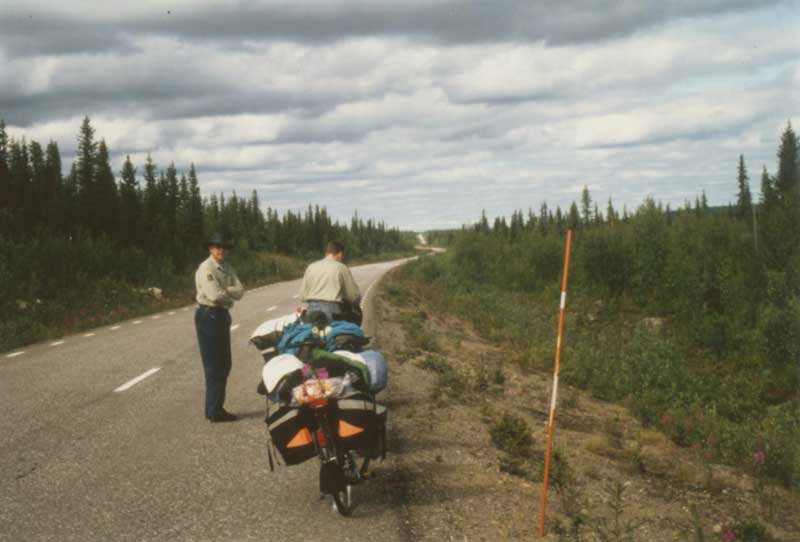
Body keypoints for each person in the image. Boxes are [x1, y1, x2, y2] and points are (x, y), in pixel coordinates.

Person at [194, 232, 244, 422]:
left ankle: (216, 408)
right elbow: (214, 296)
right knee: (215, 366)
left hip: (221, 315)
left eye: (224, 247)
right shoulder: (206, 268)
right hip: (209, 315)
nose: (221, 250)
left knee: (224, 364)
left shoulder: (226, 267)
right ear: (210, 248)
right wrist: (227, 293)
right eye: (217, 246)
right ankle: (214, 410)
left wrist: (226, 291)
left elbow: (240, 291)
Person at [300, 240, 361, 324]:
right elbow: (354, 296)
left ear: (327, 253)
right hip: (332, 312)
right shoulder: (341, 267)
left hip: (311, 312)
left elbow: (302, 296)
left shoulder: (311, 267)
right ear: (340, 254)